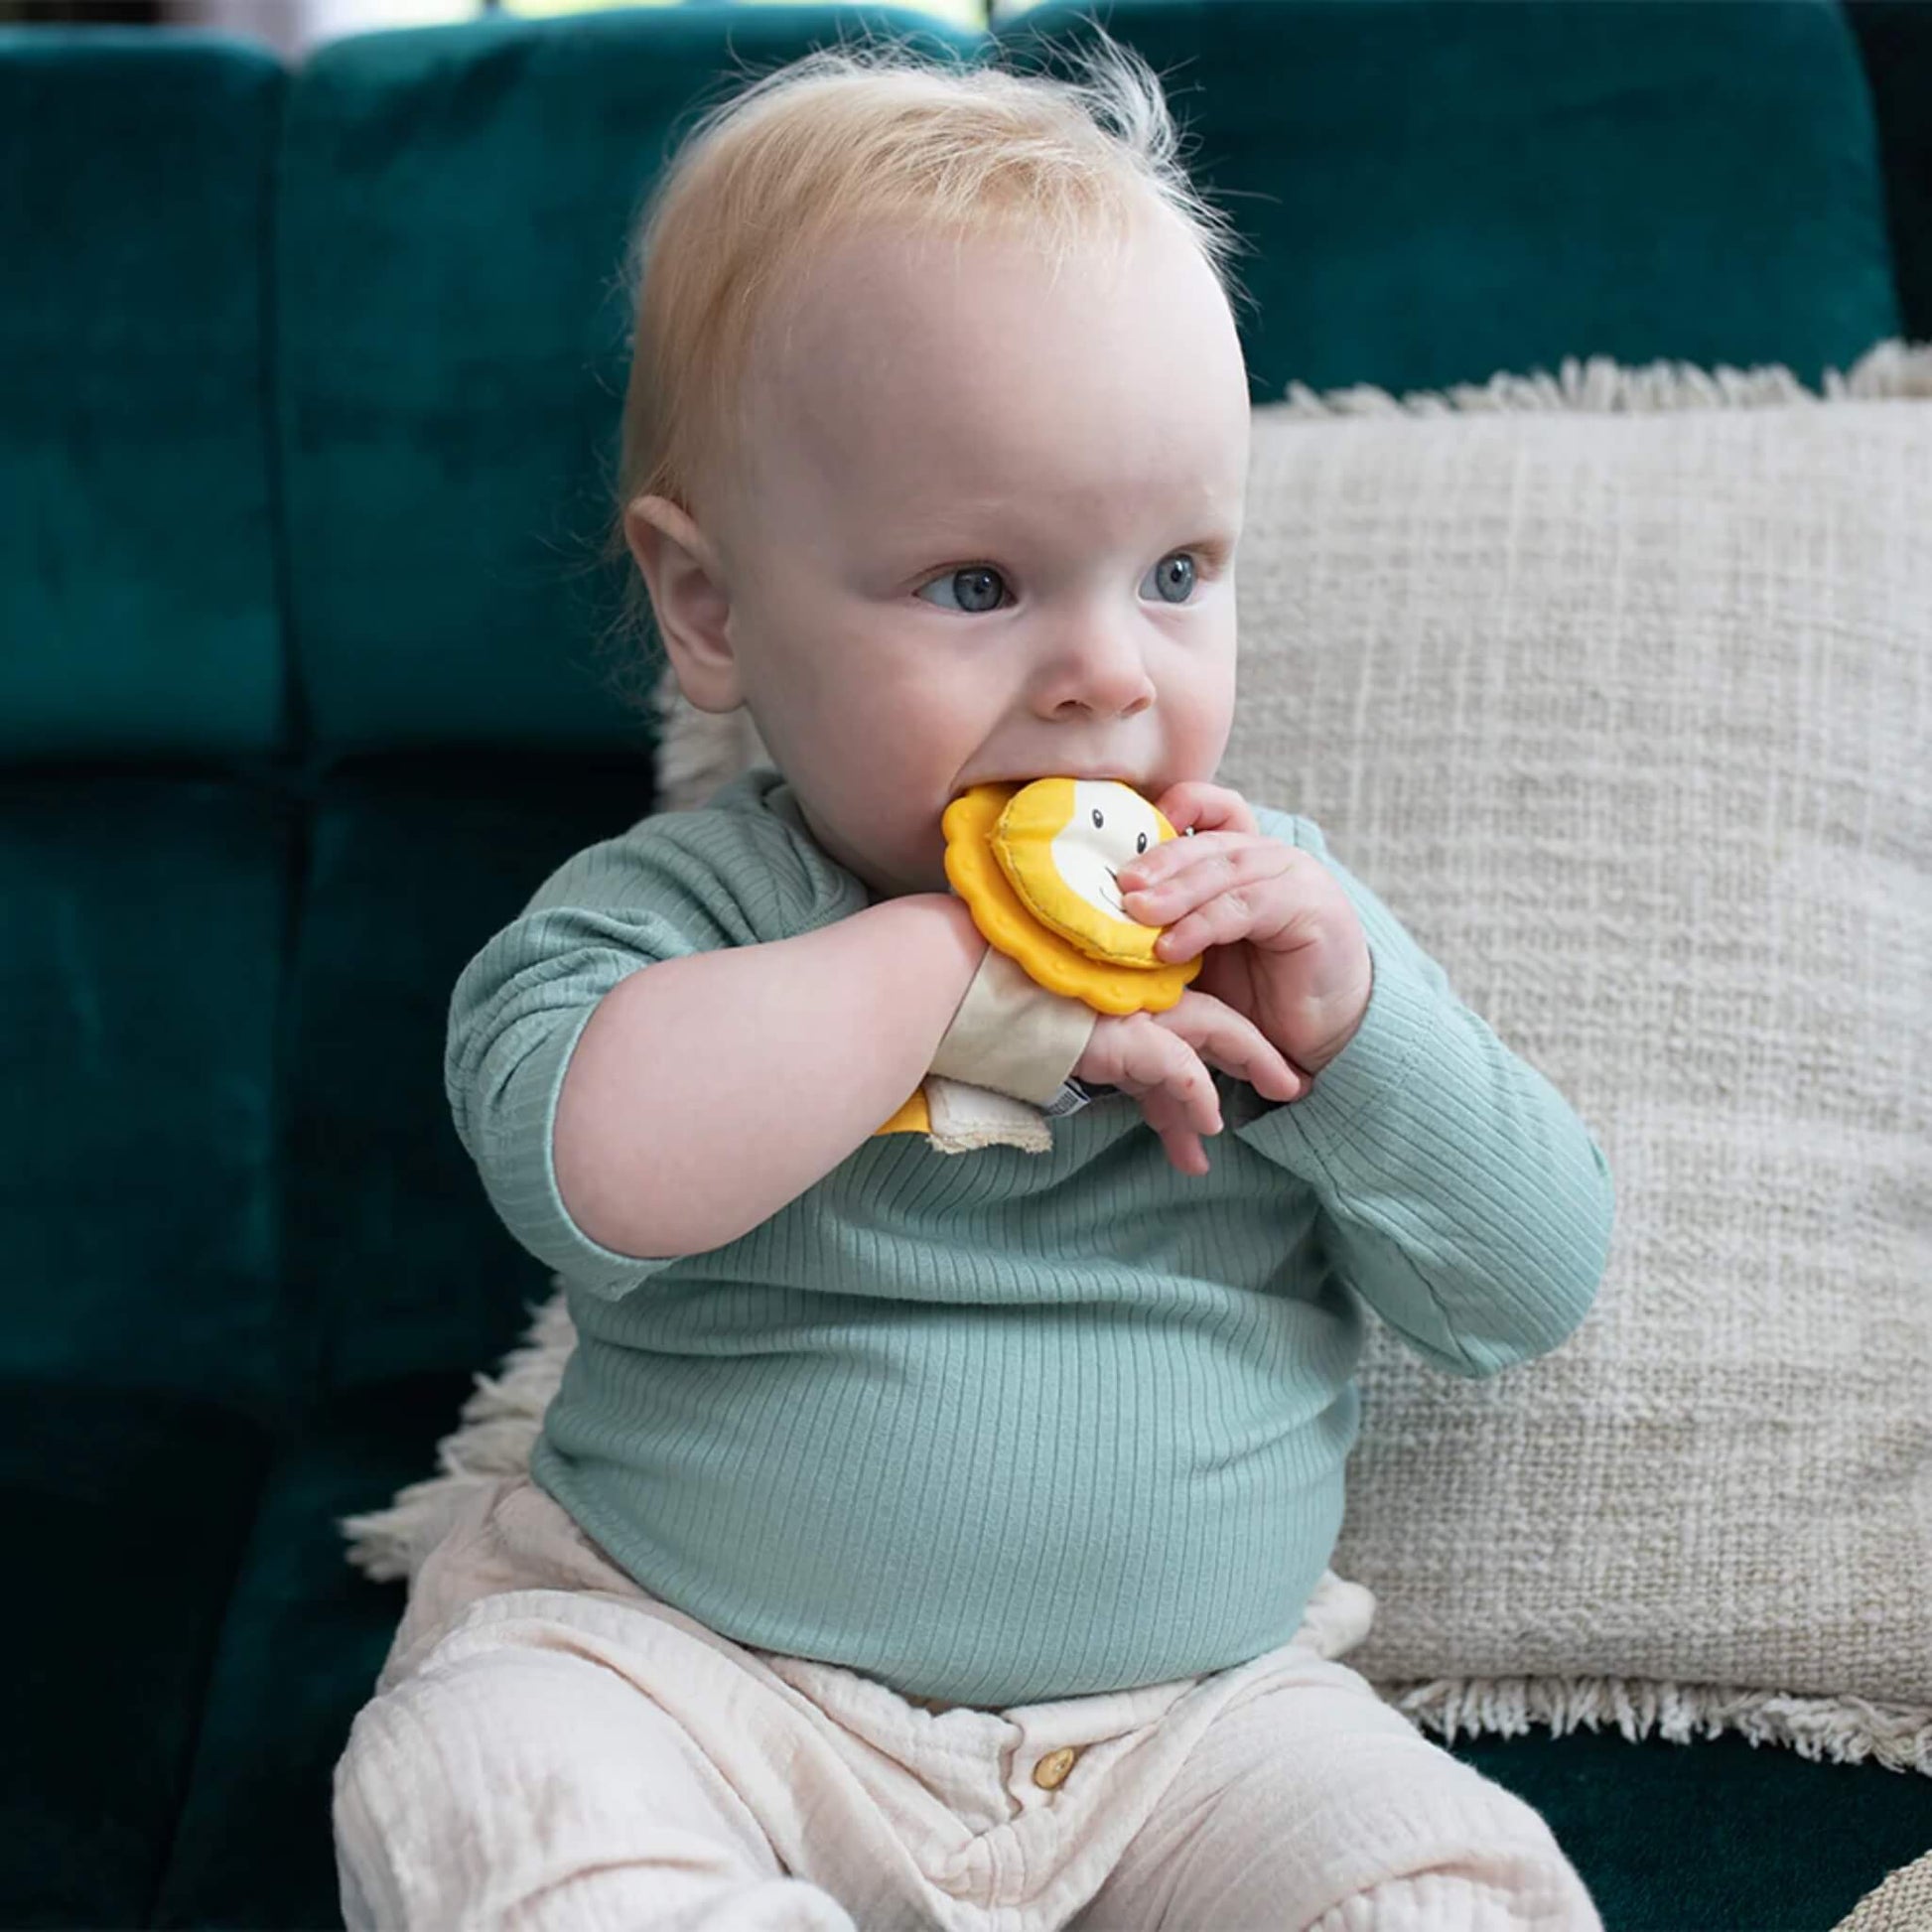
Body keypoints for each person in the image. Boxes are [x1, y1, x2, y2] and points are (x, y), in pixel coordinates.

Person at [333, 24, 1615, 1929]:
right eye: (977, 586)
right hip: (697, 1670)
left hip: (1191, 1732)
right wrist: (951, 963)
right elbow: (596, 1167)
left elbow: (1524, 1284)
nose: (1106, 672)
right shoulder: (671, 914)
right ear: (713, 605)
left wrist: (1352, 1034)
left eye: (1175, 570)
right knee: (478, 1781)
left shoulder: (1259, 925)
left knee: (1440, 1883)